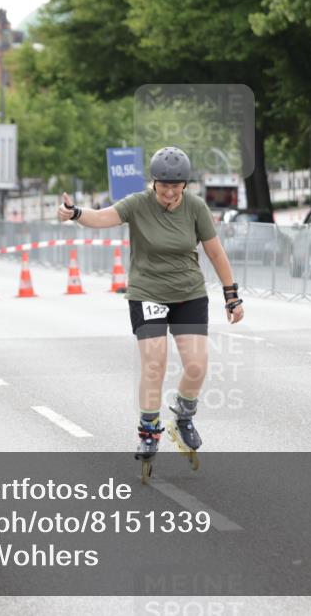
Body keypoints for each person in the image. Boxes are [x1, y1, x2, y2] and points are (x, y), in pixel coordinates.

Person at [57, 146, 244, 482]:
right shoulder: (138, 203)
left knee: (197, 365)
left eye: (177, 186)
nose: (170, 193)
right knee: (155, 361)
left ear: (186, 185)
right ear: (153, 182)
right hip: (148, 292)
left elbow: (215, 253)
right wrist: (75, 213)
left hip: (188, 293)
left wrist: (232, 296)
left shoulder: (195, 208)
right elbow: (103, 218)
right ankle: (148, 428)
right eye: (164, 186)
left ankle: (183, 417)